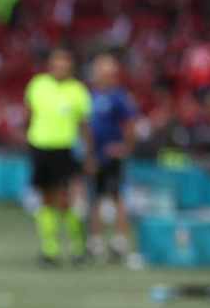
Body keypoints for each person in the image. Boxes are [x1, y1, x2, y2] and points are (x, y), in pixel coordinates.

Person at [24, 47, 92, 265]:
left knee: (65, 199)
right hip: (40, 147)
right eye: (57, 61)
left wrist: (89, 153)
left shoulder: (78, 90)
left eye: (64, 61)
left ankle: (77, 247)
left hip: (65, 149)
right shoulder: (38, 85)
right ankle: (50, 249)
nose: (60, 66)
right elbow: (29, 114)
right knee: (45, 197)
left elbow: (84, 125)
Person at [86, 52, 140, 264]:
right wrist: (88, 153)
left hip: (112, 155)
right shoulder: (89, 96)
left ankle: (120, 241)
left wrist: (126, 147)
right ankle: (95, 241)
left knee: (117, 196)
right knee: (95, 197)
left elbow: (130, 125)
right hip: (95, 154)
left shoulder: (119, 97)